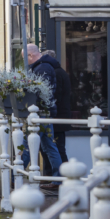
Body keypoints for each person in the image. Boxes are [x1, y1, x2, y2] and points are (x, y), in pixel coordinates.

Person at [21, 43, 63, 188]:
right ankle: (57, 178)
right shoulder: (43, 67)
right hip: (44, 112)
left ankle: (16, 175)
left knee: (28, 143)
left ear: (30, 55)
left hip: (40, 113)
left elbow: (40, 91)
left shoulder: (43, 68)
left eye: (24, 58)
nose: (25, 62)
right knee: (48, 146)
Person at [41, 49, 72, 172]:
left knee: (56, 148)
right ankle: (55, 176)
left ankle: (62, 176)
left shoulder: (56, 73)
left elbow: (55, 95)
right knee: (54, 148)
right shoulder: (60, 72)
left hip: (57, 117)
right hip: (60, 116)